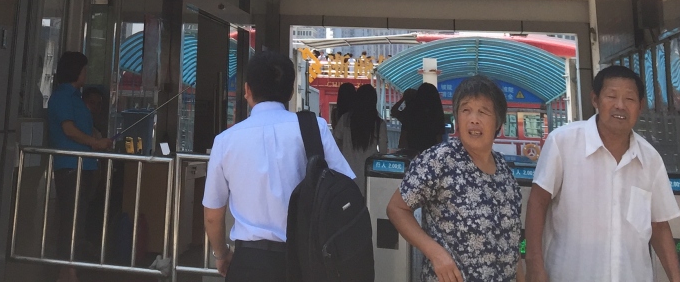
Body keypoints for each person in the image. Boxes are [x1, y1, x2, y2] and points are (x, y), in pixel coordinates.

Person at [202, 50, 354, 281]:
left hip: (248, 262)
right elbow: (345, 189)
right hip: (305, 260)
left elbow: (213, 215)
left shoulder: (225, 141)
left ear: (247, 90)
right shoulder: (315, 128)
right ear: (291, 91)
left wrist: (221, 254)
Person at [525, 64, 680, 282]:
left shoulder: (650, 159)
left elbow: (659, 226)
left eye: (629, 99)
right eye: (611, 96)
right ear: (595, 100)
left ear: (640, 106)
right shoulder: (563, 142)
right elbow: (538, 202)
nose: (620, 105)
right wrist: (534, 265)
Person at [387, 75, 523, 282]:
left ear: (498, 122)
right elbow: (396, 209)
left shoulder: (505, 172)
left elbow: (513, 245)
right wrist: (435, 253)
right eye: (466, 110)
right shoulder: (439, 160)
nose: (473, 119)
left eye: (483, 112)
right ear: (457, 119)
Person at [47, 52, 112, 282]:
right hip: (70, 165)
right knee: (71, 218)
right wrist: (94, 143)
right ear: (75, 71)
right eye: (84, 69)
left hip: (84, 165)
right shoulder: (63, 96)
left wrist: (96, 140)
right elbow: (69, 130)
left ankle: (70, 268)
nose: (86, 73)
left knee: (78, 218)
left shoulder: (76, 97)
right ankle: (66, 270)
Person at [334, 83, 388, 192]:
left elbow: (335, 141)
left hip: (347, 174)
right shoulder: (379, 124)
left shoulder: (345, 119)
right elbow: (383, 151)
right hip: (368, 175)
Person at [393, 82, 446, 156]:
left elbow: (394, 112)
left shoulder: (411, 111)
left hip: (412, 152)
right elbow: (439, 138)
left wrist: (404, 98)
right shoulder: (436, 113)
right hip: (429, 154)